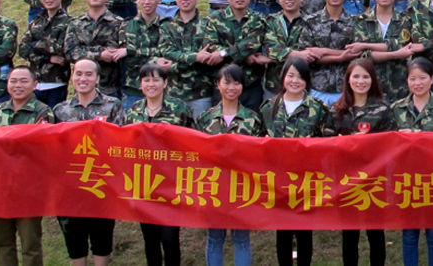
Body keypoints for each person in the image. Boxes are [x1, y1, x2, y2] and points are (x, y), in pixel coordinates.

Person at [47, 59, 123, 266]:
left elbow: (119, 142)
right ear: (72, 77)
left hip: (101, 182)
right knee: (74, 237)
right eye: (78, 73)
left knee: (102, 236)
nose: (83, 78)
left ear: (97, 79)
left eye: (89, 74)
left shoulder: (113, 105)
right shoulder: (60, 110)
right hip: (70, 185)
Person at [0, 66, 49, 266]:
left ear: (35, 85)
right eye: (13, 81)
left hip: (28, 189)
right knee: (3, 244)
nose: (18, 85)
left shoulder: (42, 112)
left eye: (24, 81)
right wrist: (9, 141)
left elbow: (42, 145)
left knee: (30, 245)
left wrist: (0, 140)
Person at [117, 64, 192, 266]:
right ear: (140, 84)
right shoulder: (133, 111)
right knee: (150, 239)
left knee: (170, 239)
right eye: (147, 80)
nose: (151, 84)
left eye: (156, 79)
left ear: (165, 83)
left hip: (171, 184)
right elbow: (125, 148)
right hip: (143, 184)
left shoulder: (179, 109)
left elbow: (192, 145)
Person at [194, 65, 263, 266]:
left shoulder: (252, 119)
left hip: (242, 187)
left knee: (241, 239)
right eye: (227, 82)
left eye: (236, 83)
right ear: (218, 85)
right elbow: (196, 154)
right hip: (213, 186)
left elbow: (259, 156)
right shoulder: (205, 118)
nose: (231, 87)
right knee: (215, 238)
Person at [264, 57, 331, 265]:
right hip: (277, 180)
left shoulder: (318, 108)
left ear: (307, 81)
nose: (295, 81)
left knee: (304, 232)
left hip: (306, 179)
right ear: (282, 77)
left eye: (301, 77)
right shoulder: (268, 108)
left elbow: (329, 143)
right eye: (291, 75)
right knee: (282, 232)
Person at [389, 58, 433, 266]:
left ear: (432, 79)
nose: (418, 83)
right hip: (406, 177)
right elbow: (387, 144)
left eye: (423, 78)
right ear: (407, 80)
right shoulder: (397, 108)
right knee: (409, 232)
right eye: (413, 79)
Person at [329, 59, 390, 266]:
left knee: (376, 233)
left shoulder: (383, 109)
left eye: (365, 76)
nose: (360, 81)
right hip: (345, 179)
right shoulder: (337, 110)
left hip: (374, 178)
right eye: (355, 76)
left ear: (373, 80)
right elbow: (326, 143)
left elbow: (390, 144)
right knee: (349, 234)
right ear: (348, 79)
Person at [204, 0, 274, 109]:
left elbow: (251, 44)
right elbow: (211, 46)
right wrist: (244, 56)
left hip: (251, 86)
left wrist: (224, 53)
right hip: (223, 85)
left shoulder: (259, 20)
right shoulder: (215, 19)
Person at [345, 0, 415, 102]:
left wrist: (365, 45)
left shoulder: (405, 20)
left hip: (398, 90)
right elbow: (364, 56)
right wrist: (396, 54)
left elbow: (401, 45)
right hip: (370, 88)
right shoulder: (362, 21)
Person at [298, 0, 360, 105]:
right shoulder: (311, 22)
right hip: (316, 89)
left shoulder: (356, 22)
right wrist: (340, 57)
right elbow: (306, 56)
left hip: (346, 89)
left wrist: (324, 51)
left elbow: (358, 53)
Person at [165, 0, 222, 115]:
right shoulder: (166, 26)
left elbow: (208, 57)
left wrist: (175, 64)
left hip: (201, 94)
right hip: (173, 93)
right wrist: (196, 57)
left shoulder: (208, 25)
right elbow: (167, 52)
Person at [68, 0, 129, 99]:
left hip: (110, 88)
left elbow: (114, 51)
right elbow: (71, 52)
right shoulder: (75, 24)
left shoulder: (119, 23)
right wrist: (99, 55)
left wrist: (85, 50)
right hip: (82, 87)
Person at [21, 0, 73, 106]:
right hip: (35, 84)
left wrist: (34, 45)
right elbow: (23, 49)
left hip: (57, 83)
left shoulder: (70, 23)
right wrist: (47, 58)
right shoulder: (36, 22)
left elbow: (61, 48)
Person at [121, 0, 173, 109]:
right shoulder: (127, 25)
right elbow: (128, 58)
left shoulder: (168, 26)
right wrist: (156, 60)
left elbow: (167, 53)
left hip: (163, 89)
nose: (147, 2)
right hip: (134, 88)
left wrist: (135, 52)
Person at [263, 0, 311, 100]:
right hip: (273, 85)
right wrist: (299, 55)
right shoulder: (270, 21)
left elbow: (309, 53)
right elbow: (271, 48)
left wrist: (274, 58)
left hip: (301, 84)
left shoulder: (310, 22)